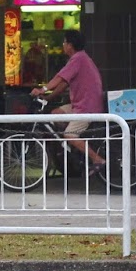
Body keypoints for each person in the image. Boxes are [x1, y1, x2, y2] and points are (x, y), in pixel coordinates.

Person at [33, 29, 106, 175]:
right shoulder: (80, 59)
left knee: (69, 135)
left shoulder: (78, 59)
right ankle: (74, 147)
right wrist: (48, 97)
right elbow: (64, 84)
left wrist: (43, 89)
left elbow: (59, 78)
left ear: (70, 45)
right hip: (79, 104)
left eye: (64, 42)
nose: (63, 45)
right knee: (55, 114)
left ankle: (97, 159)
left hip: (87, 107)